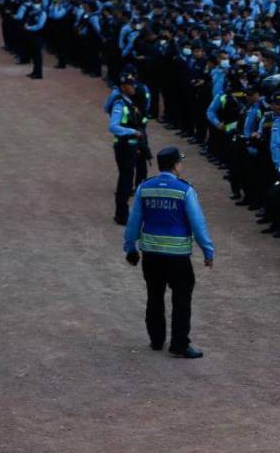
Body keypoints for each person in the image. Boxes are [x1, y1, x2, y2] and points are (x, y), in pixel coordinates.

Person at [123, 147, 214, 359]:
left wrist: (130, 247)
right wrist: (208, 251)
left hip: (151, 255)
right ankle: (179, 344)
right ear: (175, 165)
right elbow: (198, 224)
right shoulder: (185, 190)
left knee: (154, 295)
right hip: (178, 256)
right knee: (181, 299)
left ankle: (156, 340)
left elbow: (134, 221)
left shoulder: (145, 188)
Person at [109, 75, 148, 225]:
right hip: (123, 146)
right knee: (125, 181)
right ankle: (121, 215)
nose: (133, 87)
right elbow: (113, 126)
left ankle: (122, 213)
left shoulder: (130, 102)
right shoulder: (120, 104)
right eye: (130, 85)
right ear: (124, 86)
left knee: (127, 179)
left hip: (131, 146)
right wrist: (132, 132)